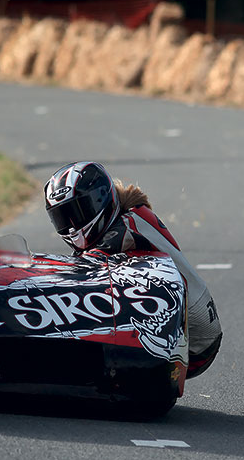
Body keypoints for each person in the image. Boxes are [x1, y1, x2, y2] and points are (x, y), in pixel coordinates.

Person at [44, 161, 222, 378]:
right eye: (63, 217)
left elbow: (83, 267)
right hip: (181, 328)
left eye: (80, 211)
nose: (72, 226)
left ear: (100, 201)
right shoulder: (125, 221)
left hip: (197, 335)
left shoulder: (132, 221)